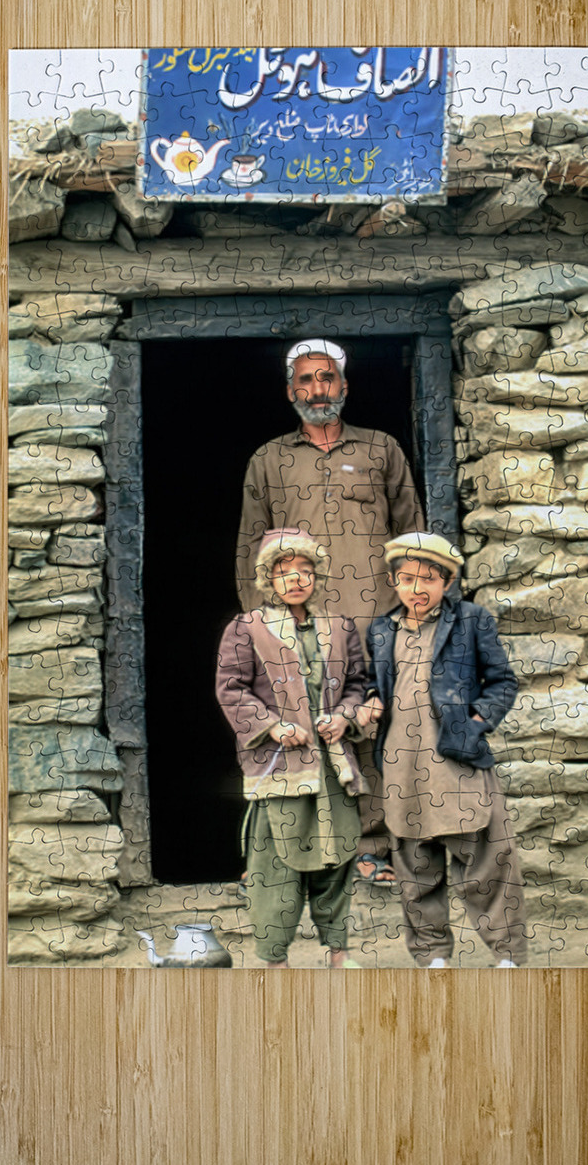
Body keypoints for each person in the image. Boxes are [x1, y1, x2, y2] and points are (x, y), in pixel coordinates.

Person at [237, 339, 426, 885]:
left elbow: (412, 531)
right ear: (289, 390)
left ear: (344, 386)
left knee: (380, 730)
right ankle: (295, 854)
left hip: (379, 618)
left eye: (326, 378)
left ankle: (375, 846)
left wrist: (417, 613)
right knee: (296, 730)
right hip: (300, 624)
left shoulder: (380, 449)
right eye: (305, 380)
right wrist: (258, 624)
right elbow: (251, 545)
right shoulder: (268, 459)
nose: (316, 389)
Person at [357, 532, 528, 968]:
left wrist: (475, 723)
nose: (417, 589)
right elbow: (377, 683)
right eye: (407, 578)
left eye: (429, 579)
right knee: (416, 870)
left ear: (447, 582)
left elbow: (503, 682)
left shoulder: (471, 620)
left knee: (488, 861)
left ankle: (506, 955)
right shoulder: (380, 629)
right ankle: (433, 956)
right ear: (393, 581)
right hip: (402, 765)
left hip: (457, 759)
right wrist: (373, 700)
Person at [216, 528, 368, 968]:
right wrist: (272, 726)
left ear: (317, 576)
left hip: (333, 769)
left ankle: (338, 954)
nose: (297, 579)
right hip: (280, 770)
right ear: (268, 579)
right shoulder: (246, 629)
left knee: (337, 861)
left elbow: (357, 686)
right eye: (285, 572)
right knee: (275, 868)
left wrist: (345, 718)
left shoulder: (339, 628)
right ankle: (275, 959)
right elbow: (231, 690)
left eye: (305, 570)